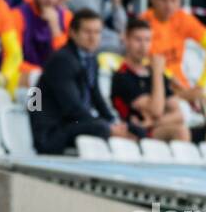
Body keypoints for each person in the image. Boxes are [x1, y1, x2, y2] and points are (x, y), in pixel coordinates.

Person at [111, 19, 206, 163]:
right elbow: (157, 110)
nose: (143, 46)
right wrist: (158, 75)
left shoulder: (154, 72)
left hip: (171, 129)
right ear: (127, 40)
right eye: (138, 40)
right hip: (145, 135)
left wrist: (152, 120)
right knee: (180, 131)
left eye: (147, 40)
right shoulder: (123, 77)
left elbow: (178, 114)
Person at [31, 9, 131, 155]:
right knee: (101, 128)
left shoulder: (92, 59)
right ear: (72, 32)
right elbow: (72, 108)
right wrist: (107, 126)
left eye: (97, 32)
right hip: (53, 132)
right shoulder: (62, 60)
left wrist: (113, 122)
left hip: (73, 124)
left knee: (134, 130)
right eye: (87, 32)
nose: (93, 38)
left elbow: (97, 98)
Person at [142, 0, 206, 96]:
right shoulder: (144, 23)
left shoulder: (183, 19)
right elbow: (142, 60)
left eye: (173, 0)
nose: (168, 5)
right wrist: (170, 77)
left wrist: (201, 84)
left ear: (179, 1)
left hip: (182, 88)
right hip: (153, 87)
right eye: (163, 0)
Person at [12, 0, 72, 83]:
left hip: (54, 76)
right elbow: (13, 58)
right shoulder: (17, 15)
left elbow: (67, 60)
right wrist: (42, 72)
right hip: (25, 75)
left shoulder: (67, 17)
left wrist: (55, 28)